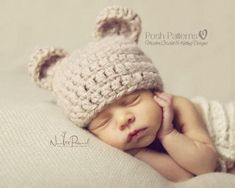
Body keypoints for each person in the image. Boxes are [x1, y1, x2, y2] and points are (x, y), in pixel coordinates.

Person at [28, 6, 235, 182]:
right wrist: (139, 153)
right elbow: (185, 178)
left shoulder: (180, 107)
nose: (124, 119)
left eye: (131, 100)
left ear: (155, 91)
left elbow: (206, 166)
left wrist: (168, 134)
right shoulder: (130, 150)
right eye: (103, 121)